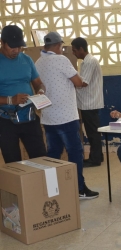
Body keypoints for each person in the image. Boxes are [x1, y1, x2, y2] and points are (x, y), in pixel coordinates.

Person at [35, 31, 98, 200]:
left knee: (53, 154)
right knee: (75, 152)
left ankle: (52, 189)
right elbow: (78, 82)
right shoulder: (61, 60)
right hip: (66, 117)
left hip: (48, 117)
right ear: (57, 46)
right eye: (61, 47)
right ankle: (79, 189)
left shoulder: (38, 62)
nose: (62, 50)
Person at [0, 25, 46, 163]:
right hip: (5, 120)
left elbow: (38, 82)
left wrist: (41, 91)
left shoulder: (26, 60)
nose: (17, 50)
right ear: (2, 42)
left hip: (29, 117)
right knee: (13, 162)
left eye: (19, 47)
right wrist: (10, 100)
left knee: (41, 158)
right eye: (12, 47)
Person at [71, 37, 104, 168]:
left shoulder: (89, 62)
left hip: (89, 102)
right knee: (93, 131)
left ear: (81, 49)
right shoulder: (87, 61)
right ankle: (98, 156)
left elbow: (83, 82)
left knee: (92, 133)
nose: (74, 53)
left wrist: (71, 81)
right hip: (88, 102)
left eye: (74, 50)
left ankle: (95, 159)